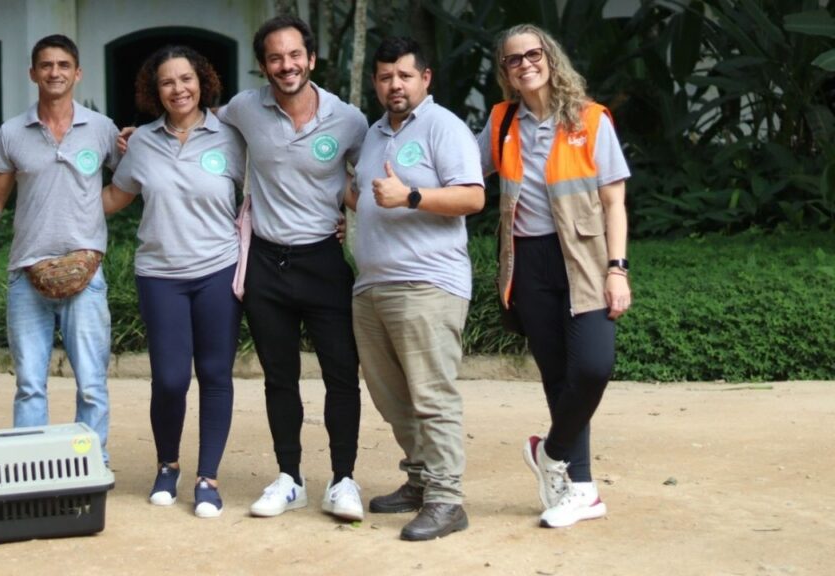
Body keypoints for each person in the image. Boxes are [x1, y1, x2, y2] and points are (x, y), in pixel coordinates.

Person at [477, 23, 632, 528]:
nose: (525, 64)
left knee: (593, 367)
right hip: (528, 263)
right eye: (513, 59)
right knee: (557, 377)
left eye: (533, 54)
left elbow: (614, 203)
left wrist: (617, 269)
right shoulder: (502, 122)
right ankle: (580, 489)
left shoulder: (589, 119)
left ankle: (550, 451)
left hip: (584, 260)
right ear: (505, 72)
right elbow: (461, 170)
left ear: (550, 58)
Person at [215, 15, 369, 521]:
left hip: (323, 261)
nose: (287, 65)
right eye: (275, 58)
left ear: (312, 59)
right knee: (279, 378)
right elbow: (200, 121)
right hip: (266, 263)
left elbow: (369, 179)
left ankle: (343, 479)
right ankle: (290, 478)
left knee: (341, 375)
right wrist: (141, 135)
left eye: (295, 55)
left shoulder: (348, 120)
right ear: (264, 66)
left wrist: (350, 213)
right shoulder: (245, 108)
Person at [346, 37, 485, 541]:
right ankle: (422, 478)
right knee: (391, 397)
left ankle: (447, 499)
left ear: (425, 78)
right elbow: (364, 194)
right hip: (372, 285)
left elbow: (472, 197)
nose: (395, 85)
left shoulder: (444, 127)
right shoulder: (374, 133)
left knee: (431, 394)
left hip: (427, 283)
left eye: (405, 75)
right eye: (386, 77)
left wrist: (411, 196)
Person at [102, 45, 244, 518]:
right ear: (154, 91)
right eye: (167, 82)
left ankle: (208, 477)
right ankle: (168, 465)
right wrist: (57, 205)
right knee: (169, 379)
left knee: (215, 374)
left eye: (186, 79)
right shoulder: (142, 141)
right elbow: (115, 196)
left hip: (218, 270)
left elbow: (269, 187)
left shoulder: (231, 137)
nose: (178, 89)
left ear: (202, 82)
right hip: (160, 274)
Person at [0, 34, 120, 462]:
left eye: (63, 65)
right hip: (26, 273)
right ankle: (31, 466)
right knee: (30, 384)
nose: (55, 72)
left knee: (92, 384)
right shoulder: (12, 132)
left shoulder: (101, 129)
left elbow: (130, 179)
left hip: (86, 274)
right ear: (33, 73)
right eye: (46, 65)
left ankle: (91, 462)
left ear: (78, 73)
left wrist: (95, 211)